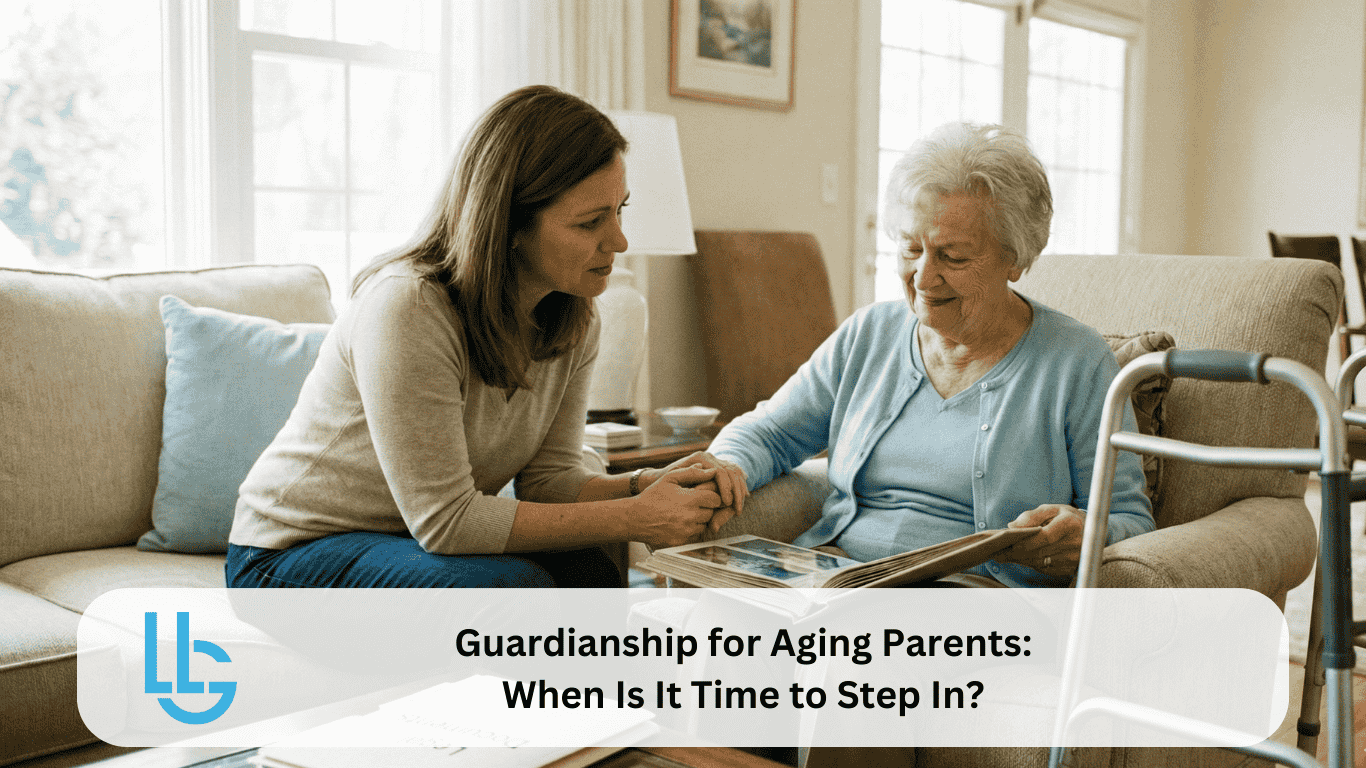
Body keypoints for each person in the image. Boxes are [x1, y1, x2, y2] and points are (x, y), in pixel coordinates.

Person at [225, 85, 747, 590]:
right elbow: (447, 522)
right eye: (590, 222)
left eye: (619, 210)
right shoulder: (408, 306)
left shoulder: (575, 316)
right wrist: (633, 518)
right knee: (512, 588)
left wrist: (644, 484)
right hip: (288, 551)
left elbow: (550, 481)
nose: (619, 240)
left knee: (588, 569)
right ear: (511, 225)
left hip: (405, 540)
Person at [706, 122, 1155, 588]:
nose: (922, 278)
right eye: (911, 248)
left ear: (1016, 259)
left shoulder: (1076, 362)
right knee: (713, 624)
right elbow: (770, 432)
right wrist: (723, 469)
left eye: (953, 257)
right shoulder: (869, 334)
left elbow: (1128, 517)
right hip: (841, 576)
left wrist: (1083, 535)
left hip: (973, 601)